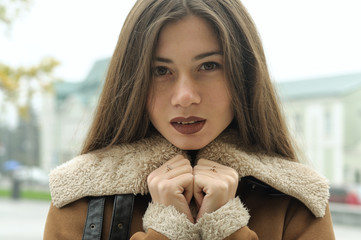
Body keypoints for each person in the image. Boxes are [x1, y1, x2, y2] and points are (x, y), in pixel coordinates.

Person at [44, 0, 335, 239]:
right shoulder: (78, 197)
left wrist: (226, 226)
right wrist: (166, 227)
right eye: (160, 70)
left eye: (208, 66)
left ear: (244, 75)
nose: (185, 96)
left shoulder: (299, 200)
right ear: (133, 81)